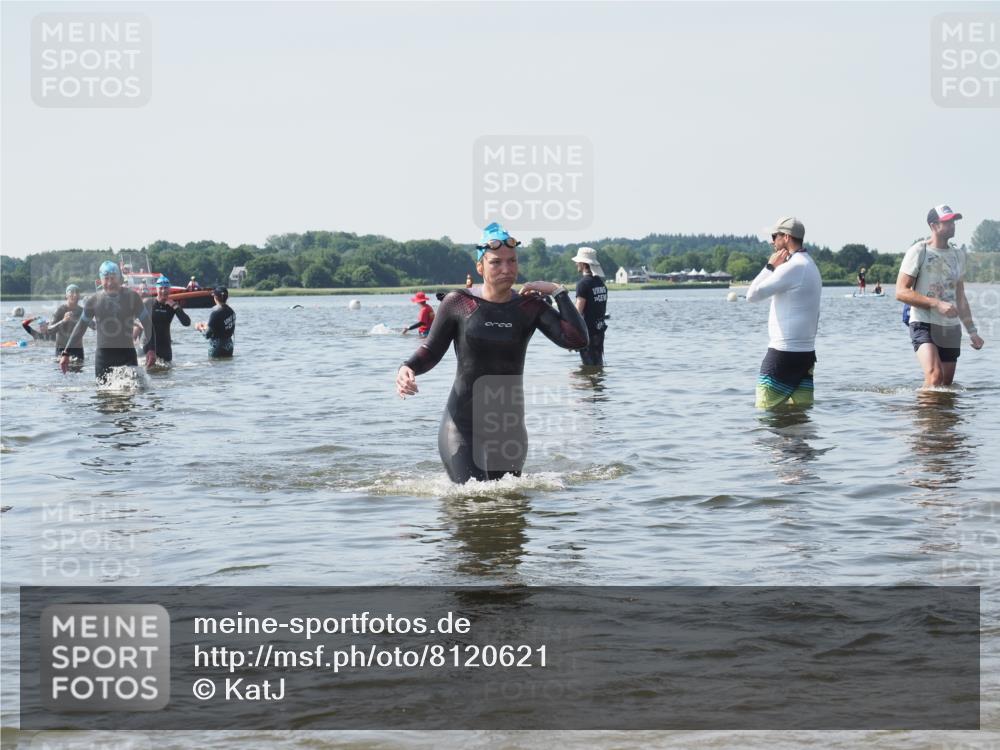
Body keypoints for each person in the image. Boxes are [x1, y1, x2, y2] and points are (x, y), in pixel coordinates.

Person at [395, 222, 588, 483]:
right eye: (496, 263)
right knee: (474, 501)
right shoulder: (459, 303)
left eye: (512, 261)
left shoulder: (530, 307)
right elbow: (430, 350)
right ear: (480, 267)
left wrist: (558, 292)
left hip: (509, 430)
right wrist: (408, 367)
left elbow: (576, 340)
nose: (506, 269)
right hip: (462, 426)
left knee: (508, 510)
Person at [895, 204, 984, 387]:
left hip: (950, 328)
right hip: (923, 322)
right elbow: (901, 292)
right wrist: (936, 303)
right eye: (947, 222)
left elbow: (960, 296)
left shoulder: (959, 255)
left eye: (953, 221)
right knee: (935, 376)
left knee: (945, 383)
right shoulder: (919, 251)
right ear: (933, 225)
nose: (952, 225)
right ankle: (923, 415)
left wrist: (972, 331)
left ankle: (939, 416)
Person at [746, 217, 822, 408]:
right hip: (806, 355)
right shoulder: (810, 264)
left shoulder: (792, 267)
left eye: (775, 236)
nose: (772, 242)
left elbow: (752, 295)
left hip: (783, 355)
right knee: (800, 418)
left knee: (765, 415)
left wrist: (770, 266)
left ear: (786, 237)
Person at [59, 261, 154, 380]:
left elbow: (147, 323)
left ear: (119, 279)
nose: (110, 283)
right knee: (103, 396)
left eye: (113, 278)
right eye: (106, 279)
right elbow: (81, 327)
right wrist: (66, 352)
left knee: (131, 394)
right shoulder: (93, 301)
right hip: (103, 359)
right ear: (100, 280)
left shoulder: (132, 297)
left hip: (127, 356)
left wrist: (151, 349)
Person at [138, 277, 191, 363]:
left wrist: (175, 307)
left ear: (169, 289)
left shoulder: (173, 306)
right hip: (147, 345)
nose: (163, 291)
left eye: (166, 288)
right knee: (144, 372)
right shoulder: (148, 302)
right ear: (156, 289)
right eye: (161, 288)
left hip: (164, 347)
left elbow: (187, 323)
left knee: (166, 374)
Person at [571, 246, 609, 366]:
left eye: (578, 262)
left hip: (587, 334)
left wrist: (571, 337)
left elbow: (577, 314)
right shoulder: (600, 283)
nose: (576, 264)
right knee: (598, 364)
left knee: (588, 368)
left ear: (583, 264)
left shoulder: (583, 284)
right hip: (600, 331)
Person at [52, 284, 90, 361]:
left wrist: (93, 312)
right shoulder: (60, 310)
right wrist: (63, 321)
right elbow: (49, 330)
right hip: (61, 349)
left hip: (78, 350)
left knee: (79, 371)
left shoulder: (82, 311)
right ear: (66, 295)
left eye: (77, 292)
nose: (74, 295)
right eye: (71, 292)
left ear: (79, 296)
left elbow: (94, 326)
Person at [196, 286, 236, 358]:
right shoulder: (231, 311)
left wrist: (200, 328)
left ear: (216, 297)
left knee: (214, 367)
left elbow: (207, 335)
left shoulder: (215, 313)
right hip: (229, 346)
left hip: (217, 347)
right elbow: (225, 327)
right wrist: (207, 325)